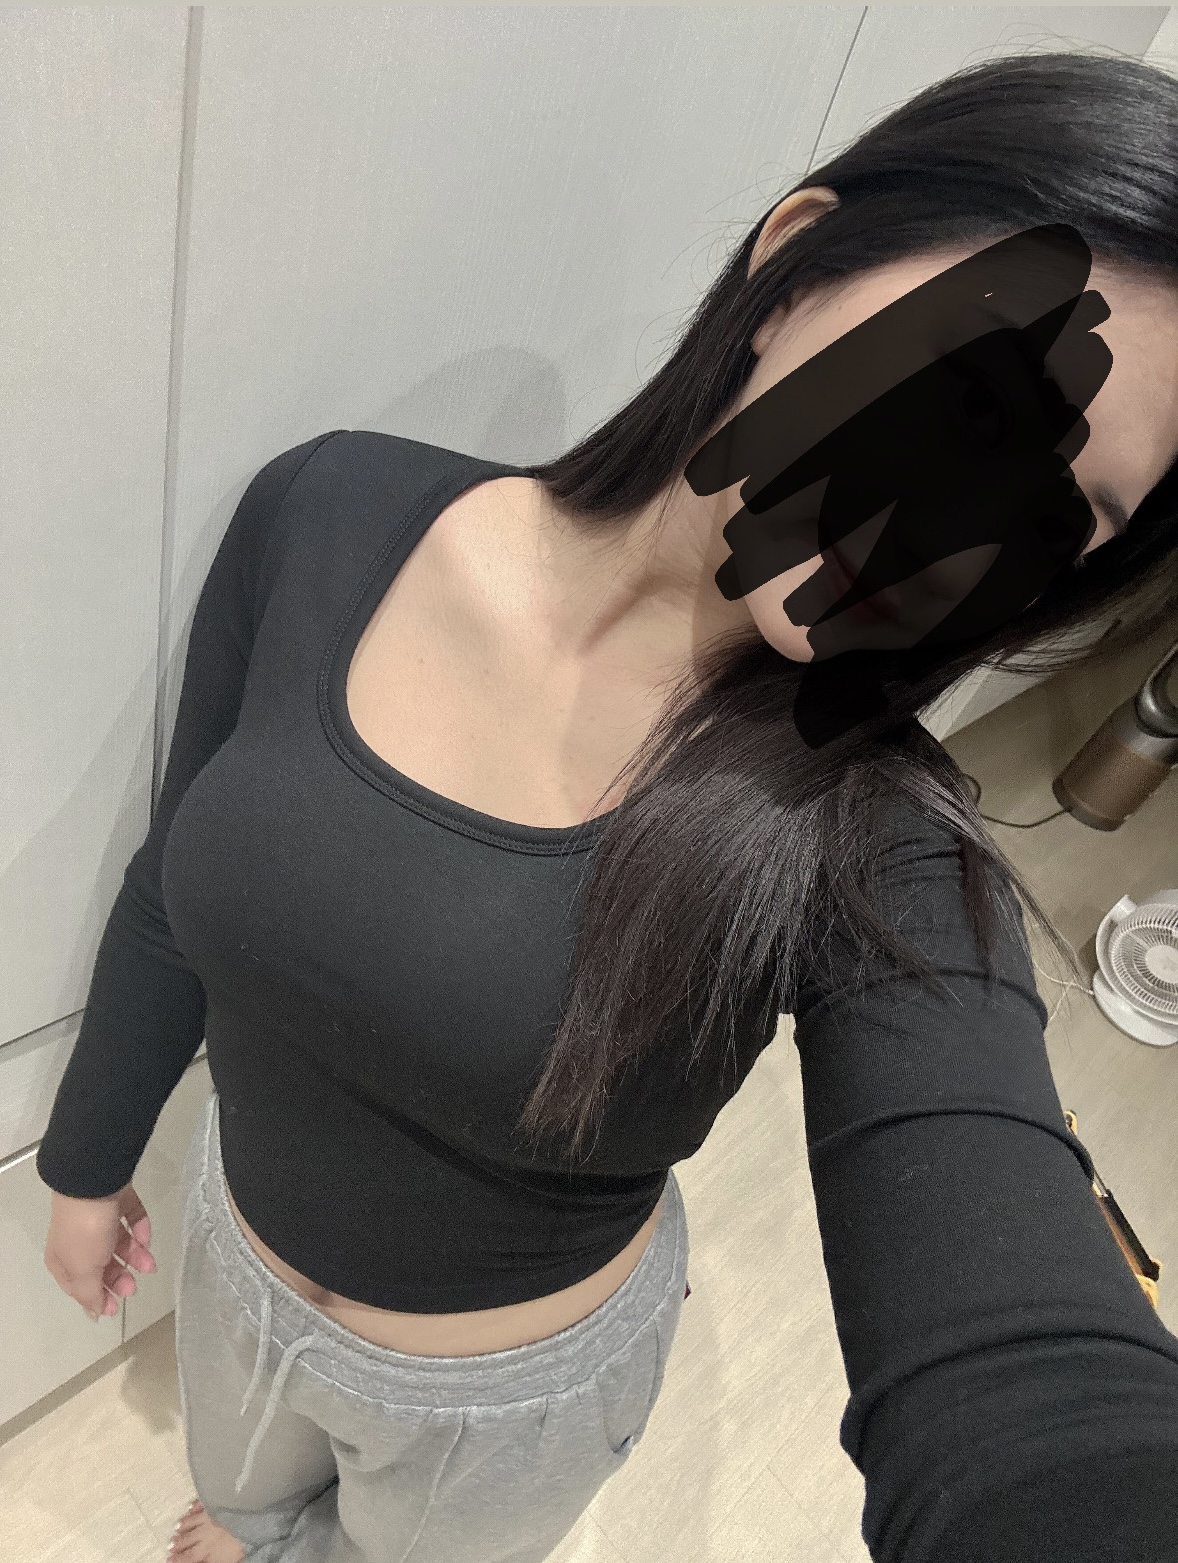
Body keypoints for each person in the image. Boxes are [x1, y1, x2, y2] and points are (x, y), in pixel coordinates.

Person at [38, 48, 1178, 1563]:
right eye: (977, 400)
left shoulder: (876, 835)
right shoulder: (329, 512)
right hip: (232, 1275)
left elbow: (1021, 1372)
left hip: (498, 1418)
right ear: (793, 265)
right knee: (239, 1511)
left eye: (1065, 511)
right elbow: (171, 877)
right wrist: (85, 1156)